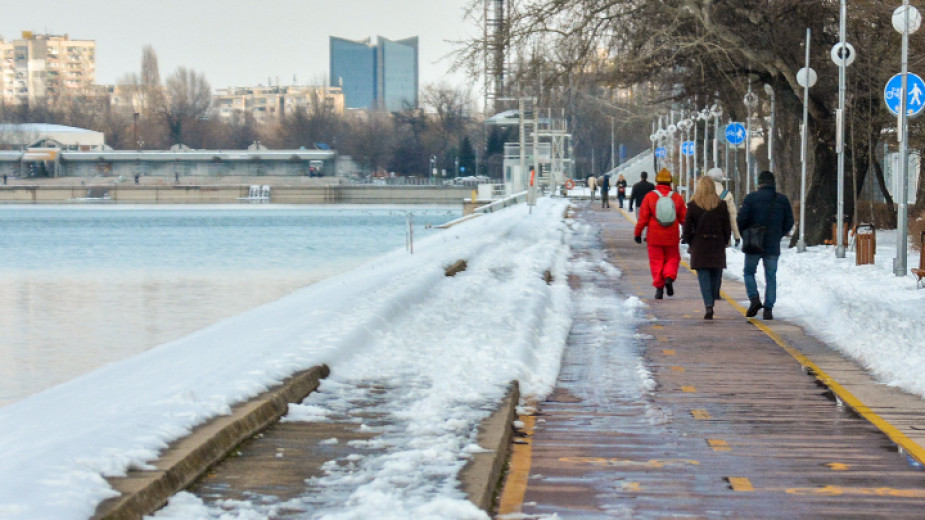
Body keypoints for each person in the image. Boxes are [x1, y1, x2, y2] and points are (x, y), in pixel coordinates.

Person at [737, 170, 795, 320]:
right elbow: (789, 221)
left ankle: (754, 298)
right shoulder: (782, 200)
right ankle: (768, 309)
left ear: (759, 183)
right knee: (770, 276)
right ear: (773, 183)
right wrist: (779, 234)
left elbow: (741, 220)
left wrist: (746, 233)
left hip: (753, 243)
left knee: (749, 272)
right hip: (772, 244)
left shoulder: (751, 198)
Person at [634, 168, 686, 299]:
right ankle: (669, 277)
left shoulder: (650, 196)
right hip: (671, 235)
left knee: (656, 261)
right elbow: (684, 218)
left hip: (654, 236)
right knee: (673, 258)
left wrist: (638, 233)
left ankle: (659, 288)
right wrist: (688, 232)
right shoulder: (676, 197)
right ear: (670, 182)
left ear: (657, 181)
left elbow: (643, 218)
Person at [683, 176, 731, 320]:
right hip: (717, 245)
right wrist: (724, 241)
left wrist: (691, 241)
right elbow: (727, 227)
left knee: (703, 276)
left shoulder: (693, 205)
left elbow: (686, 228)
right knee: (716, 274)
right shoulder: (721, 205)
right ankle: (714, 294)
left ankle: (708, 305)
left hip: (700, 246)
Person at [707, 167, 741, 247]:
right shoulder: (727, 195)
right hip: (722, 234)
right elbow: (733, 217)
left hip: (704, 233)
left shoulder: (702, 193)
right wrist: (737, 236)